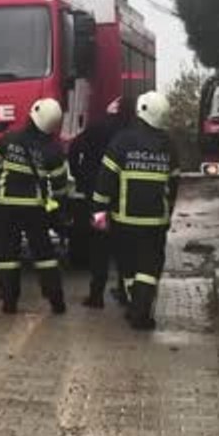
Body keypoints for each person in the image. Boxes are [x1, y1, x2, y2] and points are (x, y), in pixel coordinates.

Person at [91, 91, 179, 330]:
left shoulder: (122, 140)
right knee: (150, 267)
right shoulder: (169, 145)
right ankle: (140, 309)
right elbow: (174, 184)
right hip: (155, 222)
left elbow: (105, 180)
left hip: (124, 221)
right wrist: (168, 212)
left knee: (128, 266)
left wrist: (99, 211)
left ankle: (136, 307)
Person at [0, 98, 71, 315]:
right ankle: (56, 300)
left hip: (6, 206)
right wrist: (58, 210)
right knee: (44, 253)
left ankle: (9, 302)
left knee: (7, 254)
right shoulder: (53, 150)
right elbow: (60, 187)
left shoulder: (9, 138)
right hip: (35, 208)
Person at [67, 97, 129, 308]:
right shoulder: (130, 131)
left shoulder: (96, 127)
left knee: (99, 246)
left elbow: (74, 149)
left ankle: (96, 295)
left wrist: (79, 176)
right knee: (123, 246)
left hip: (96, 200)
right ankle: (124, 292)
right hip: (122, 200)